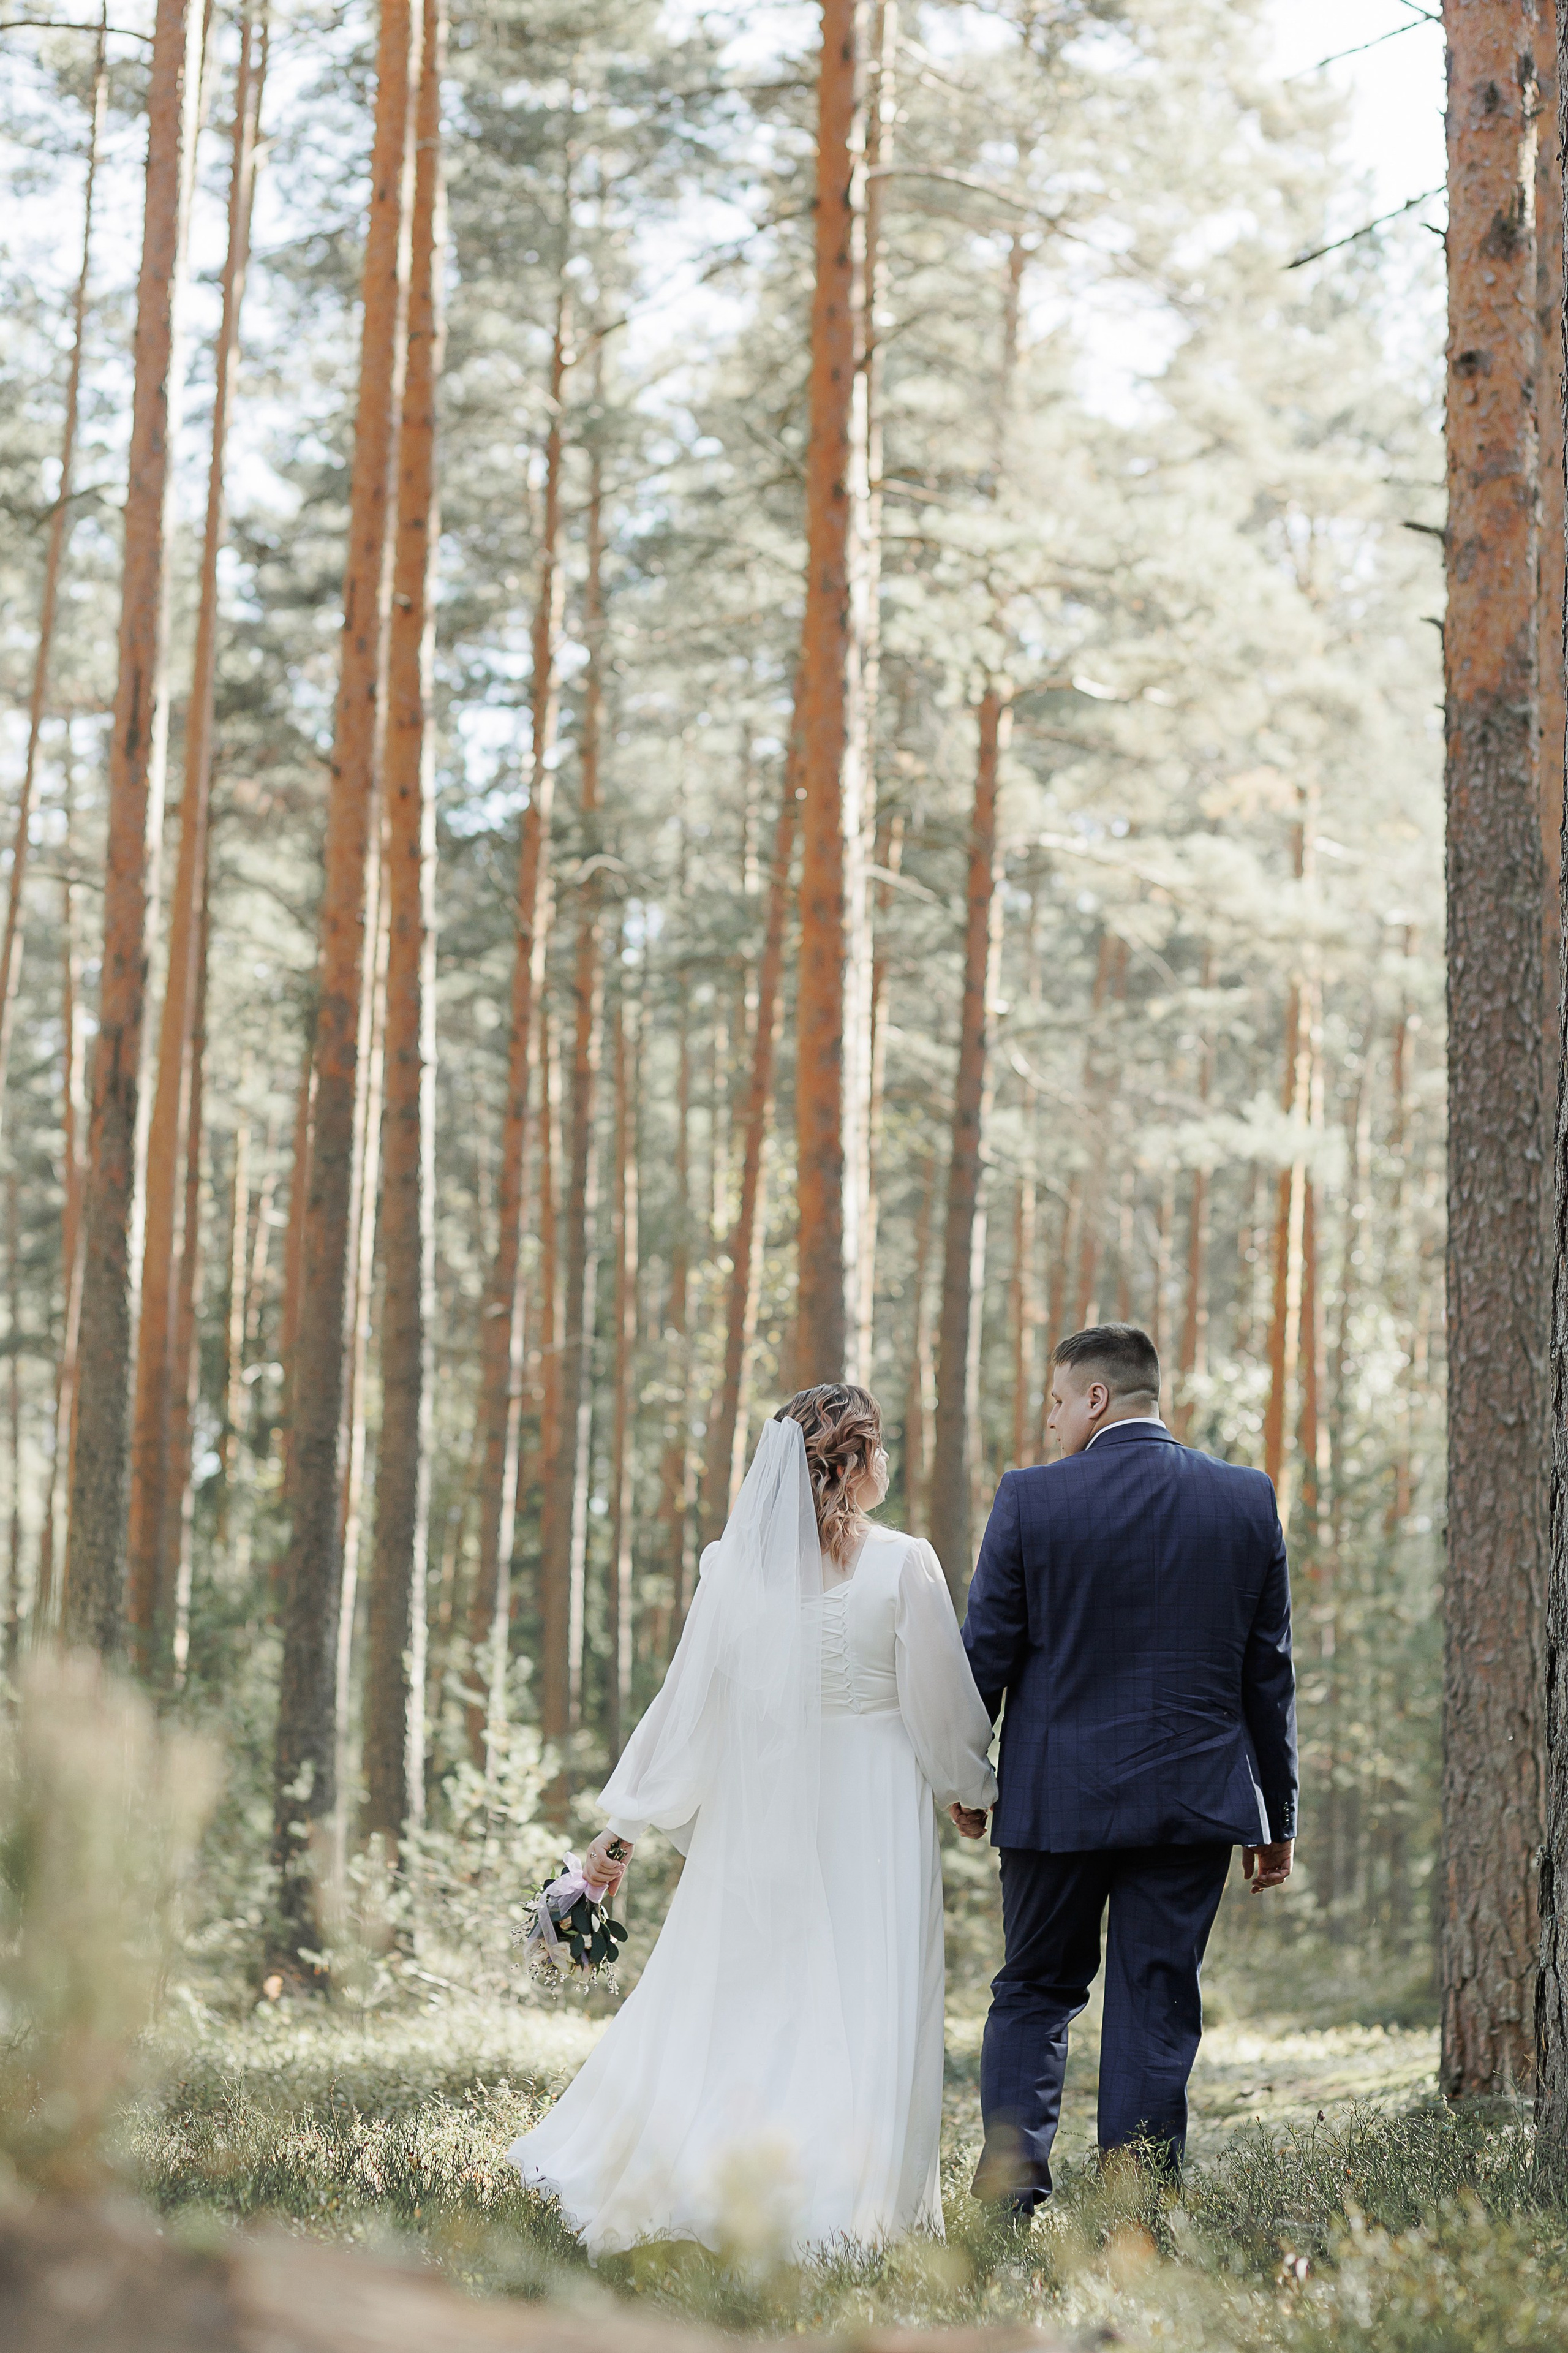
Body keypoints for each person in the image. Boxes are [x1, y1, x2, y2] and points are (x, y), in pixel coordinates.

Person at [505, 1384, 998, 2257]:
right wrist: (969, 1787)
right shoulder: (904, 1562)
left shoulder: (732, 1568)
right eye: (880, 1449)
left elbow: (690, 1708)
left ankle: (726, 2172)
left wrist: (624, 1828)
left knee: (758, 1994)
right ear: (856, 1464)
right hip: (875, 1805)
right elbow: (941, 1705)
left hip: (764, 1806)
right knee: (867, 1991)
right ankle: (842, 2201)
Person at [956, 1322, 1297, 2211]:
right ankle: (1134, 2216)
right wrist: (1278, 1816)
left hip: (1053, 1801)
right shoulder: (1245, 1498)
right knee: (1155, 1999)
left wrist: (966, 1778)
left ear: (1097, 1397)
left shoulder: (1031, 1500)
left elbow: (981, 1658)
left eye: (1058, 1400)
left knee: (1033, 1989)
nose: (1051, 1418)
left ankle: (1009, 2200)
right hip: (1191, 1804)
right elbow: (1269, 1676)